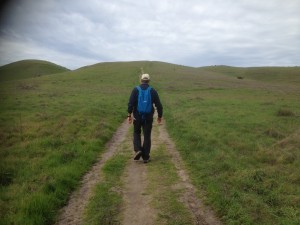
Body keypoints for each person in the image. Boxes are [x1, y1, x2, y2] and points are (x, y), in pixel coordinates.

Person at [127, 73, 163, 163]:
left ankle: (138, 149)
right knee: (147, 135)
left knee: (136, 132)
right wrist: (159, 116)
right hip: (148, 117)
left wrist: (129, 115)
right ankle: (146, 157)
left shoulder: (136, 90)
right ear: (149, 81)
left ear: (141, 80)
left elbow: (130, 103)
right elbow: (159, 105)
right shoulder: (153, 91)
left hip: (137, 116)